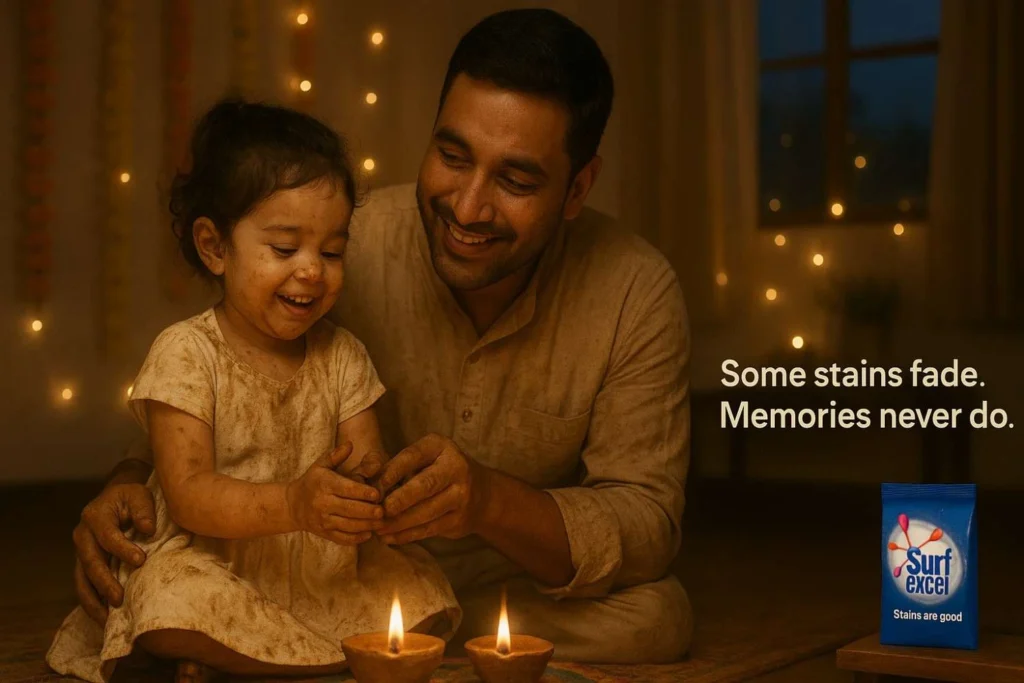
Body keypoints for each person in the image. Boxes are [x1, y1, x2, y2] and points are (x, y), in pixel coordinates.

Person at [68, 8, 692, 665]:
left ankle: (361, 637)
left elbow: (648, 524)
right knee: (173, 578)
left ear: (577, 188)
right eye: (452, 156)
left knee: (657, 617)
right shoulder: (336, 245)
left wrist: (487, 502)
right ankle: (388, 640)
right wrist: (125, 485)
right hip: (305, 559)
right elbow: (211, 388)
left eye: (514, 180)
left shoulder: (635, 292)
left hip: (484, 579)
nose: (468, 207)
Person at [47, 100, 460, 683]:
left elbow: (368, 462)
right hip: (218, 562)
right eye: (285, 249)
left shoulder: (343, 356)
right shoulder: (187, 353)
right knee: (168, 598)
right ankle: (285, 656)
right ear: (215, 247)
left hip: (320, 566)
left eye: (333, 251)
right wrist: (292, 503)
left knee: (423, 600)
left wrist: (369, 496)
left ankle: (240, 659)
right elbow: (188, 494)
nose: (313, 270)